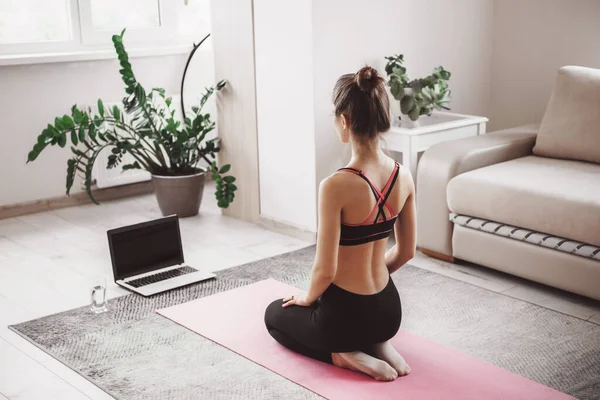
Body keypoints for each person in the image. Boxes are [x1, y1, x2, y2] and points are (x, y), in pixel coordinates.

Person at [264, 65, 417, 382]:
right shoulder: (404, 175)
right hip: (389, 311)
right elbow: (406, 252)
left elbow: (326, 270)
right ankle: (380, 344)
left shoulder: (335, 186)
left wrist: (308, 298)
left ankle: (344, 355)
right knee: (359, 313)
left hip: (345, 316)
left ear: (344, 121)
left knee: (274, 316)